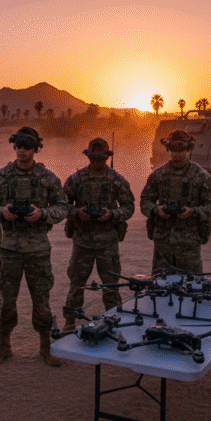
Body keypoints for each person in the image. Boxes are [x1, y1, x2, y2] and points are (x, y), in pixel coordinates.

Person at [0, 127, 68, 367]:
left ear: (35, 149)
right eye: (18, 146)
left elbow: (62, 207)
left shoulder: (47, 177)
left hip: (37, 249)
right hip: (8, 248)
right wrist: (1, 211)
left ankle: (45, 347)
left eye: (27, 147)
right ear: (14, 147)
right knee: (7, 299)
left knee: (41, 299)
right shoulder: (0, 176)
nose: (22, 151)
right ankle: (5, 346)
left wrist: (43, 213)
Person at [60, 137, 135, 331]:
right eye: (93, 159)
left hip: (107, 242)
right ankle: (70, 322)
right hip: (82, 241)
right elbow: (61, 205)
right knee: (76, 284)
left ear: (106, 158)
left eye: (100, 159)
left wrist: (112, 214)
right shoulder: (76, 179)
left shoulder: (116, 179)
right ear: (88, 157)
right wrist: (77, 213)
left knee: (111, 285)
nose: (96, 163)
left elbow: (129, 207)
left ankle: (114, 322)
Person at [139, 129, 211, 275]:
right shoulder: (158, 174)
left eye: (179, 150)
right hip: (163, 245)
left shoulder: (201, 176)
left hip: (189, 245)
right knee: (160, 288)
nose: (175, 154)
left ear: (188, 150)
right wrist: (156, 209)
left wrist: (193, 211)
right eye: (172, 150)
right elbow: (145, 201)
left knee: (191, 288)